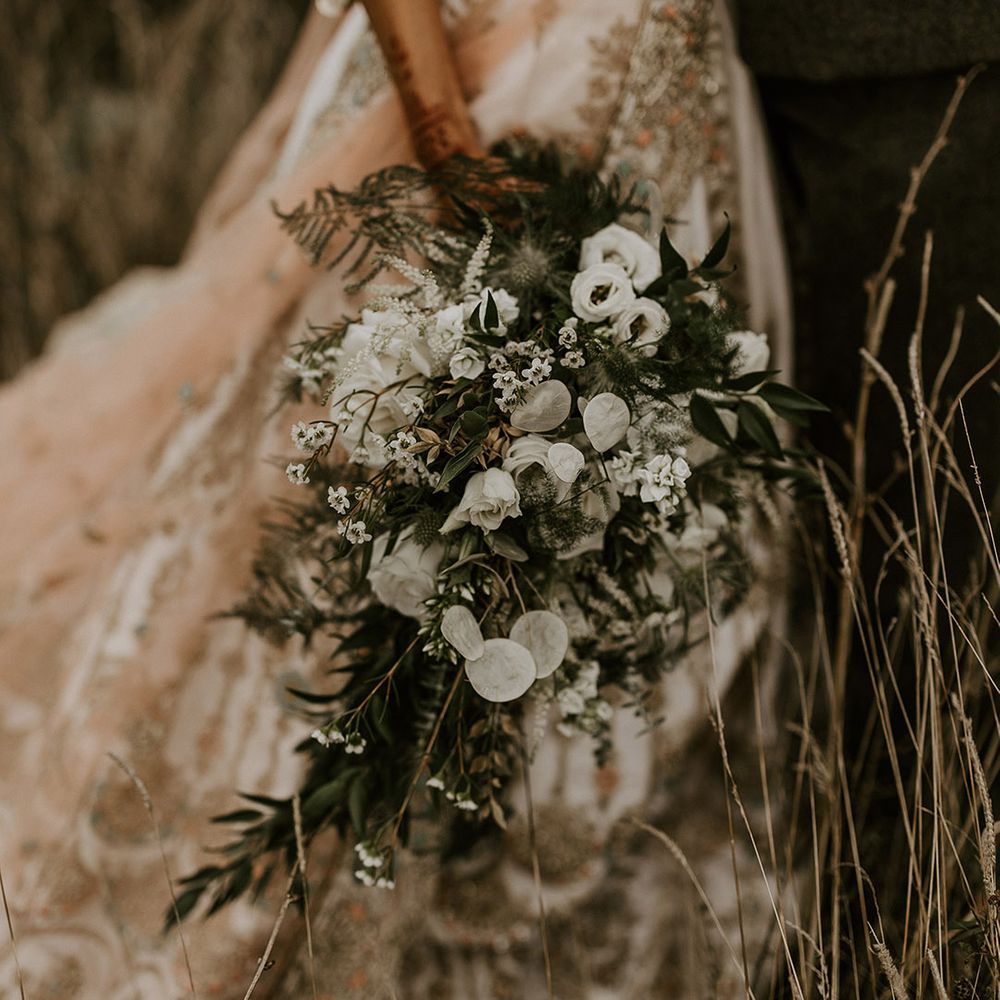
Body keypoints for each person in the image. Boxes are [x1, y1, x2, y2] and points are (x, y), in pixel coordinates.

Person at [0, 2, 791, 996]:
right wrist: (445, 139)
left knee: (635, 478)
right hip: (479, 79)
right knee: (365, 467)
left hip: (659, 78)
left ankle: (522, 870)